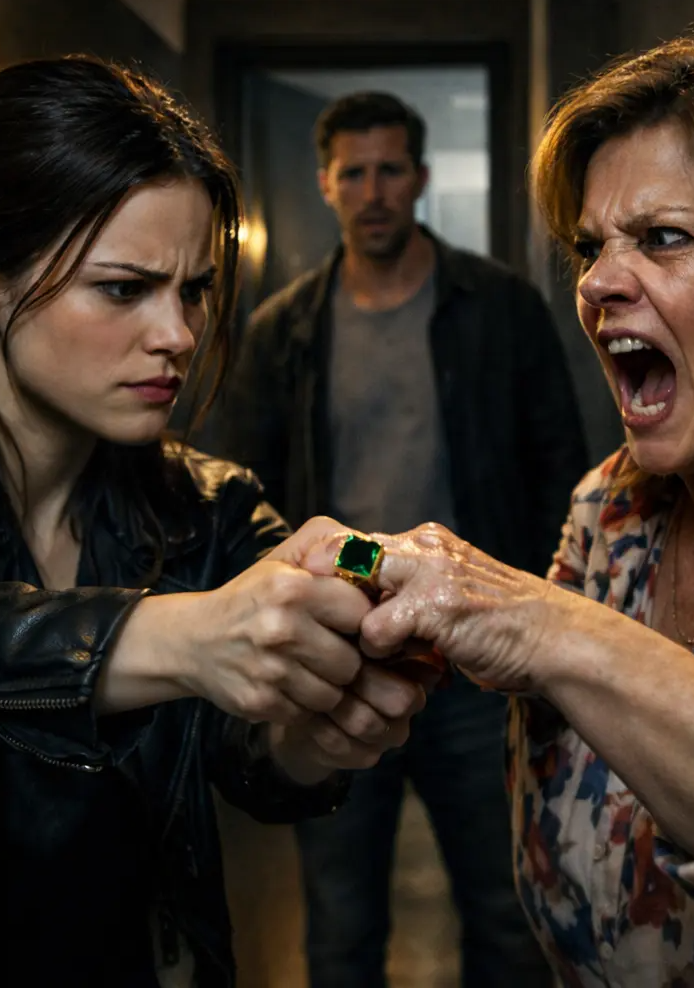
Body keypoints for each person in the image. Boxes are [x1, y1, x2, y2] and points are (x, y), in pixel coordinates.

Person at [294, 25, 694, 986]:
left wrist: (532, 620)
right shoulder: (615, 505)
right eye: (591, 247)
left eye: (663, 238)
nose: (595, 283)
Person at [0, 57, 424, 988]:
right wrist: (180, 636)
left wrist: (311, 732)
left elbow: (246, 758)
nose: (178, 334)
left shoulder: (206, 505)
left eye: (194, 290)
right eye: (122, 288)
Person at [231, 91, 584, 985]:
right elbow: (248, 498)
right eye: (354, 173)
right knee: (341, 924)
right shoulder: (285, 330)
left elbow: (560, 467)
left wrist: (540, 621)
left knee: (506, 915)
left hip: (474, 655)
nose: (374, 191)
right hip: (341, 655)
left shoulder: (498, 307)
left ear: (420, 178)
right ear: (326, 184)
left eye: (390, 170)